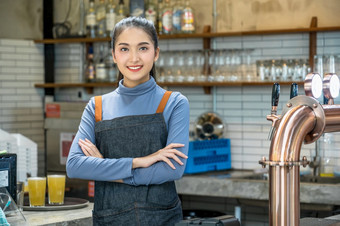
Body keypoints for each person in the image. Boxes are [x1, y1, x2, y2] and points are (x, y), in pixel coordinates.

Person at [66, 17, 189, 226]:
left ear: (156, 53)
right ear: (114, 55)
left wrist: (104, 167)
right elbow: (75, 166)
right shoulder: (96, 107)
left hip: (162, 220)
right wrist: (139, 162)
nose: (134, 58)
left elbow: (172, 169)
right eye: (124, 49)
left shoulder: (174, 103)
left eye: (143, 48)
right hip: (109, 220)